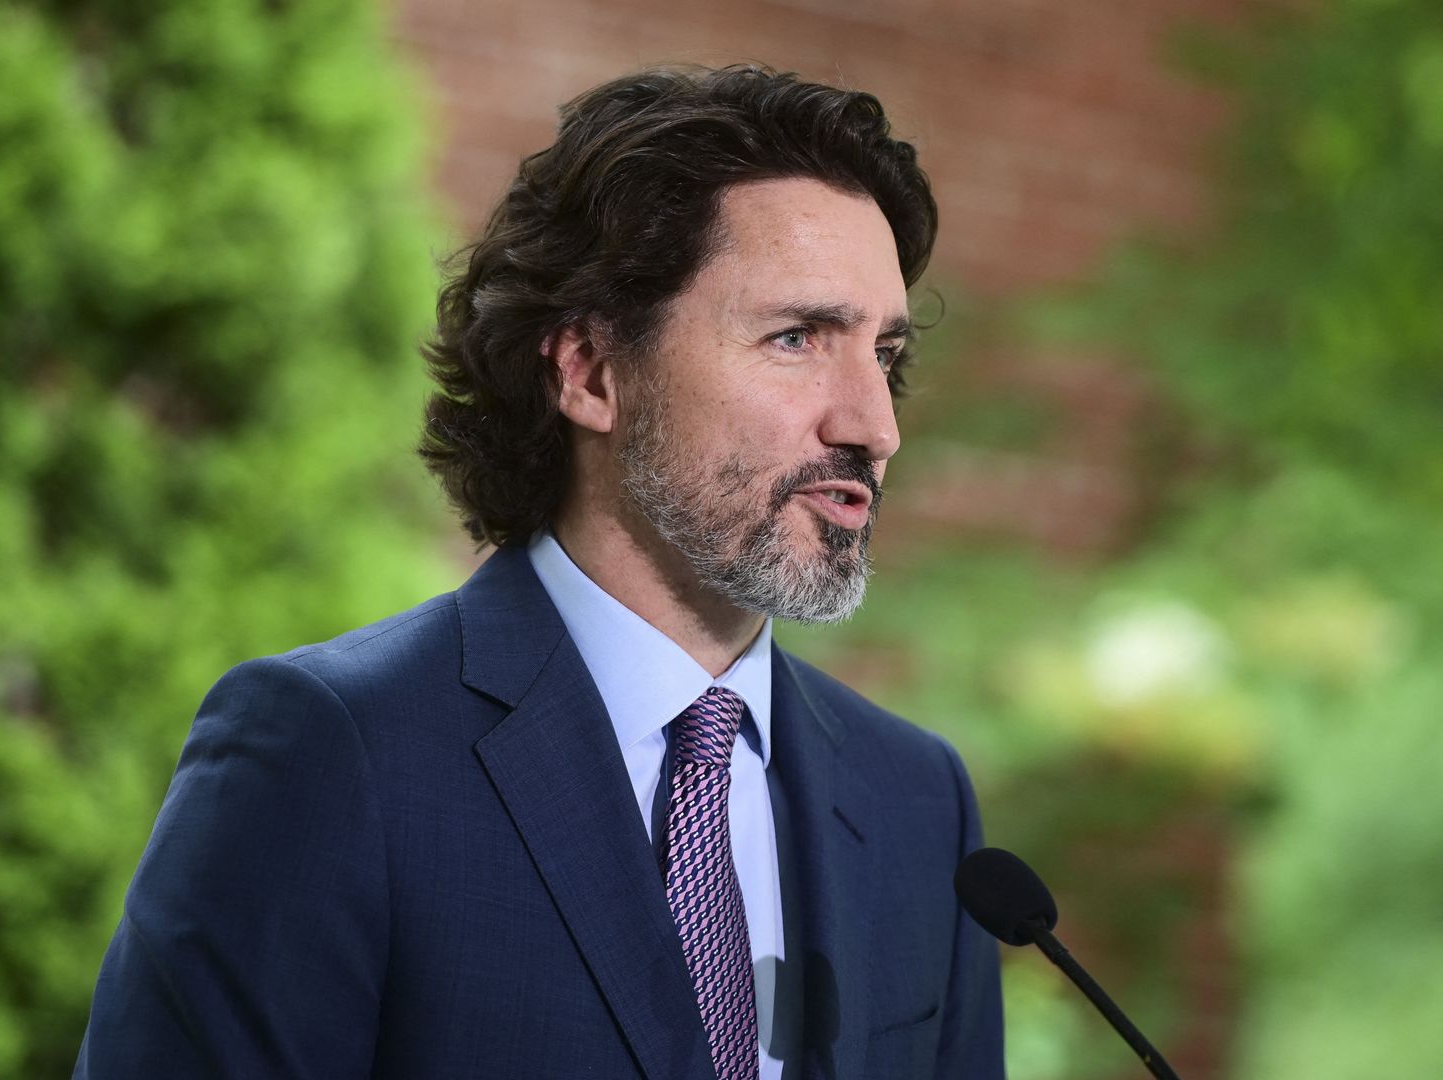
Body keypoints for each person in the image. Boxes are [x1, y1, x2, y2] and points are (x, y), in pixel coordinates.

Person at [74, 65, 1005, 1080]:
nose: (875, 426)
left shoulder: (920, 802)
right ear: (591, 372)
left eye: (888, 358)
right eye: (796, 339)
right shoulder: (332, 754)